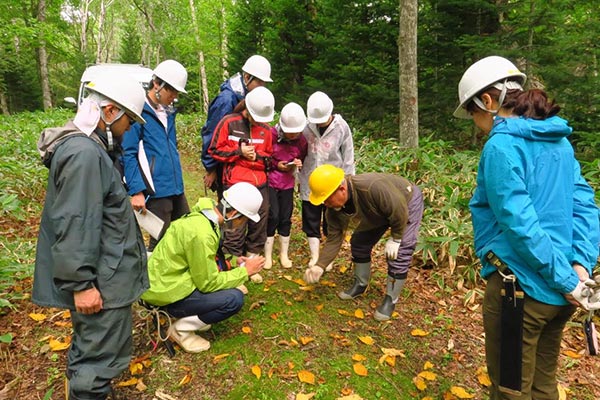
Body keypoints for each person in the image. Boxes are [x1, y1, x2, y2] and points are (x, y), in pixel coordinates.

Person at [454, 55, 600, 399]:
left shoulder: (501, 147)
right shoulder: (559, 142)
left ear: (487, 102)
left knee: (510, 389)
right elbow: (585, 206)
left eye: (474, 114)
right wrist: (579, 266)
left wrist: (566, 279)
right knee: (543, 386)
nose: (477, 124)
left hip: (520, 291)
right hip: (563, 292)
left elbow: (519, 224)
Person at [33, 73, 148, 400]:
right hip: (101, 282)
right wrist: (82, 285)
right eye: (129, 121)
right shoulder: (84, 154)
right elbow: (75, 222)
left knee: (93, 355)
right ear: (109, 112)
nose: (129, 130)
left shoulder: (92, 149)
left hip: (106, 275)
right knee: (96, 363)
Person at [141, 182, 266, 353]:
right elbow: (208, 283)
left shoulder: (204, 216)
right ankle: (180, 330)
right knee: (233, 299)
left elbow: (206, 258)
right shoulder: (203, 234)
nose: (242, 225)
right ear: (234, 214)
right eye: (244, 220)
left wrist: (234, 261)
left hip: (162, 282)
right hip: (166, 293)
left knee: (229, 289)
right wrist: (245, 271)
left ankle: (193, 316)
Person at [303, 164, 424, 321]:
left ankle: (390, 299)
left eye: (326, 199)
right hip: (377, 210)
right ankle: (360, 284)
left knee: (399, 253)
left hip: (405, 203)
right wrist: (320, 266)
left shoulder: (372, 188)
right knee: (359, 243)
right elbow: (334, 239)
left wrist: (396, 238)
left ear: (341, 189)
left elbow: (399, 210)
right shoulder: (333, 210)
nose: (325, 204)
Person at [208, 86, 274, 284]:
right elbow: (215, 150)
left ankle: (252, 263)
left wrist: (257, 157)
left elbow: (269, 158)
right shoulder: (229, 122)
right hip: (235, 183)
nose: (258, 121)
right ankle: (232, 266)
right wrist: (239, 152)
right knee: (233, 226)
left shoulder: (266, 130)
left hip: (260, 183)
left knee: (259, 223)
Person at [122, 59, 189, 251]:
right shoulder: (139, 112)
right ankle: (152, 279)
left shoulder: (168, 113)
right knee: (160, 242)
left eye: (177, 92)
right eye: (172, 91)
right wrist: (136, 191)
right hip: (155, 189)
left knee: (185, 231)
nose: (174, 97)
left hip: (175, 187)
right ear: (157, 84)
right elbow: (129, 153)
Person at [201, 55, 273, 200]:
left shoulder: (247, 97)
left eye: (264, 82)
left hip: (240, 163)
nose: (262, 86)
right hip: (225, 163)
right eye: (259, 81)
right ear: (247, 77)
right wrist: (211, 168)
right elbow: (212, 134)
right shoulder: (227, 100)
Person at [298, 91, 355, 269]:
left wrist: (348, 181)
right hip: (310, 180)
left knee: (331, 220)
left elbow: (348, 155)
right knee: (311, 218)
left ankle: (326, 257)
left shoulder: (341, 126)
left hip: (333, 183)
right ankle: (315, 256)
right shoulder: (306, 126)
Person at [264, 102, 308, 269]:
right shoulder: (271, 134)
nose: (293, 135)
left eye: (296, 132)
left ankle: (284, 254)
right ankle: (267, 255)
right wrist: (276, 165)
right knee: (272, 215)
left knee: (285, 217)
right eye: (290, 132)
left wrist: (297, 163)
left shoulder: (302, 140)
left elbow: (303, 156)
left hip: (288, 182)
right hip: (271, 181)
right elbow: (264, 155)